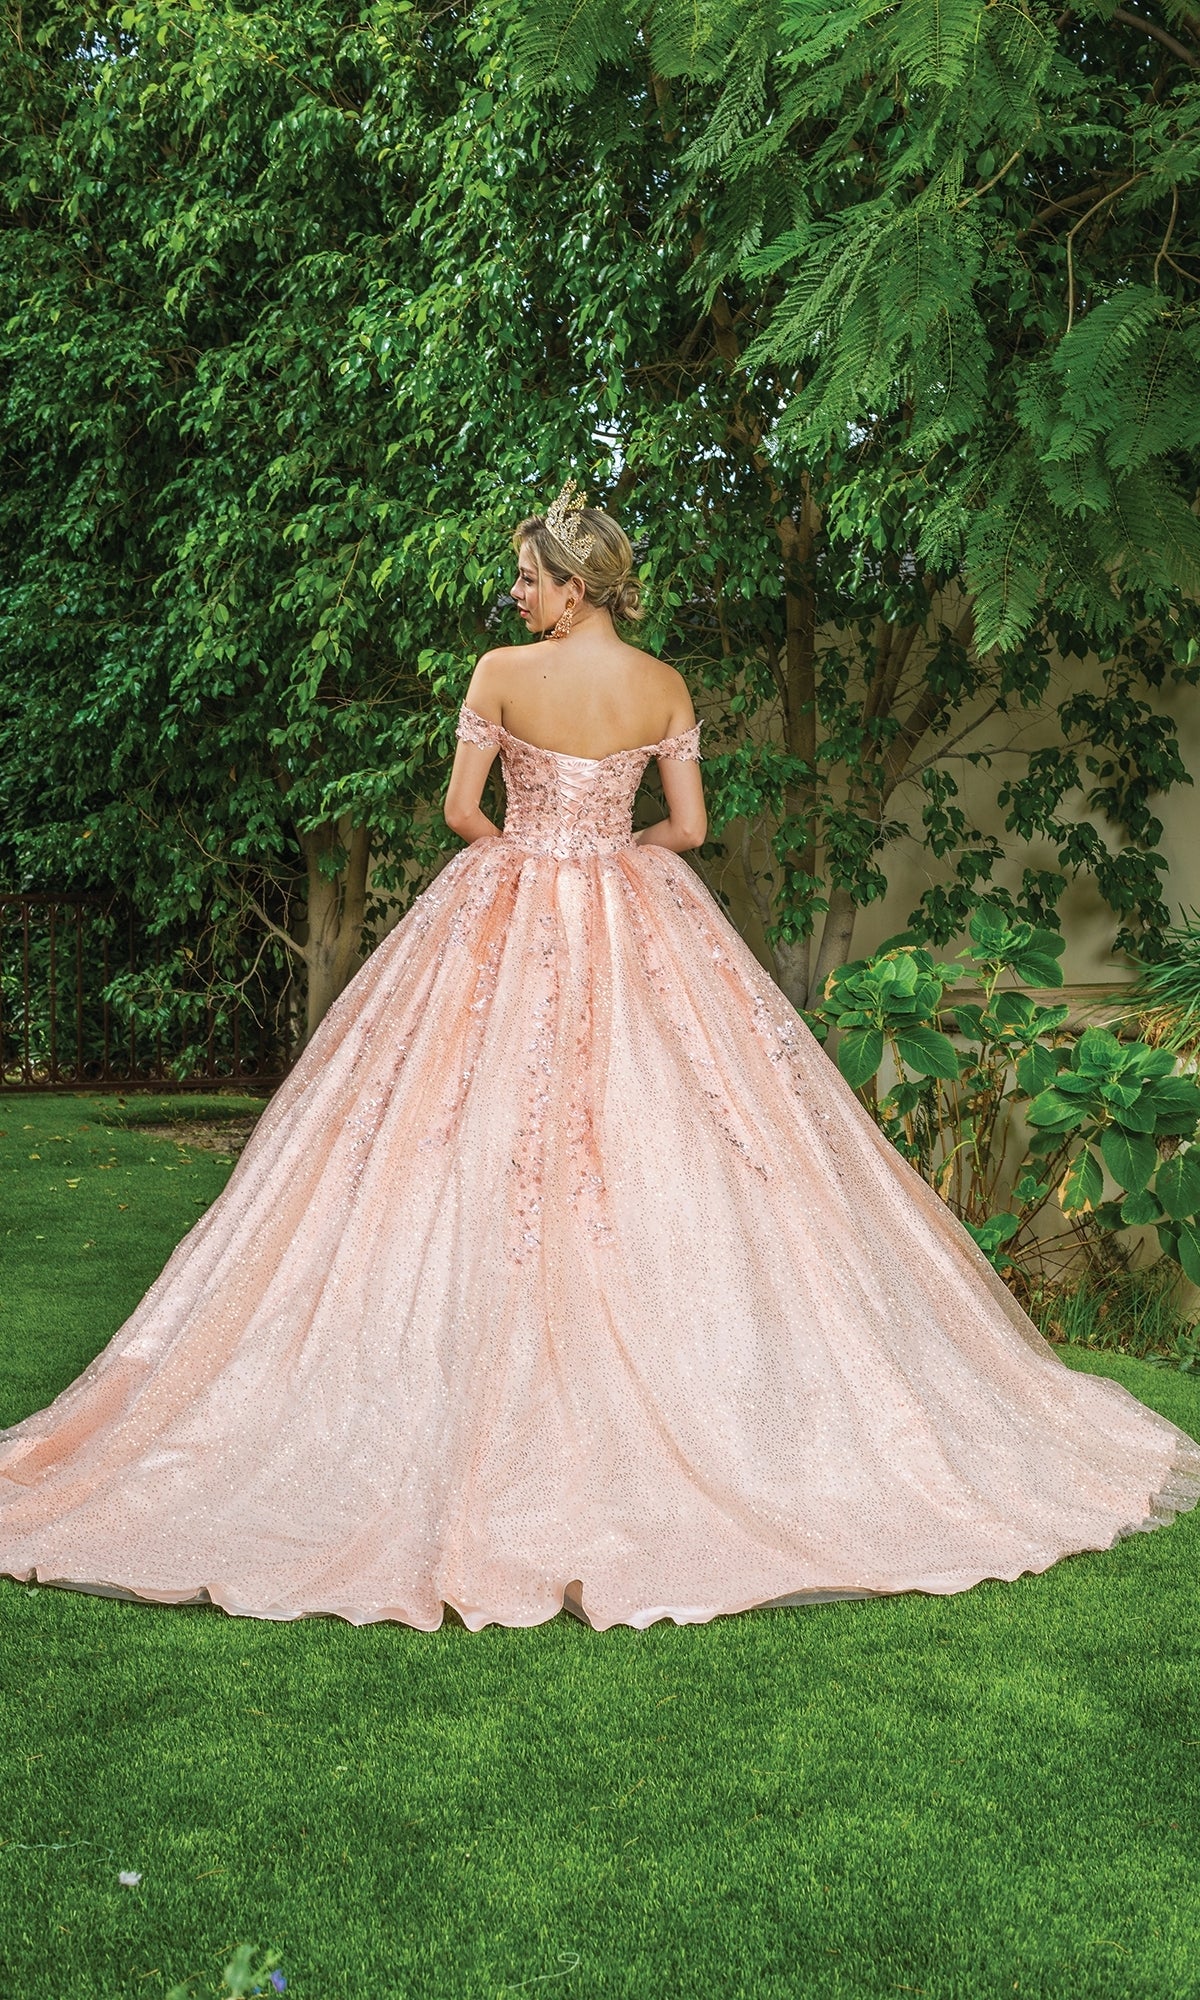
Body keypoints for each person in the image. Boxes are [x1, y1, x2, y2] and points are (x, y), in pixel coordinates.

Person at [2, 481, 1198, 1633]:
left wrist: (535, 845)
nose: (514, 595)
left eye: (526, 578)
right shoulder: (664, 680)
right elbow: (687, 829)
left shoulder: (501, 677)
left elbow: (463, 812)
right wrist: (608, 848)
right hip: (635, 909)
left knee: (450, 1130)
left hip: (508, 898)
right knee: (676, 1135)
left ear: (575, 585)